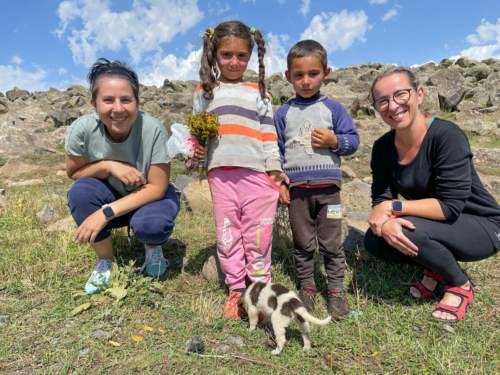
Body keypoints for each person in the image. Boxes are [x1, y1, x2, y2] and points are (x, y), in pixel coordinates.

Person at [364, 67, 500, 322]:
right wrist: (384, 219)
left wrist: (394, 209)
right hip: (438, 224)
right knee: (375, 239)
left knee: (405, 229)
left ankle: (459, 284)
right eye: (382, 100)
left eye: (400, 95)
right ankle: (435, 267)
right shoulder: (382, 147)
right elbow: (381, 196)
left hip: (482, 225)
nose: (392, 106)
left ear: (419, 95)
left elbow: (450, 206)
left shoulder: (446, 136)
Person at [193, 20, 284, 320]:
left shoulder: (258, 90)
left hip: (257, 175)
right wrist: (194, 150)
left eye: (241, 56)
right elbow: (198, 134)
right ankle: (235, 288)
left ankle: (259, 288)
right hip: (220, 175)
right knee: (228, 233)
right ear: (214, 54)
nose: (234, 62)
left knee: (258, 234)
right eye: (227, 55)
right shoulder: (204, 91)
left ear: (251, 56)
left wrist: (274, 170)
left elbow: (269, 132)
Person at [65, 58, 180, 294]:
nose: (118, 109)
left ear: (137, 102)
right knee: (81, 192)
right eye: (108, 100)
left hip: (149, 197)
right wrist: (108, 165)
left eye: (126, 100)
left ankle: (153, 247)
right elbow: (75, 173)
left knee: (152, 224)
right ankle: (106, 261)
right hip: (109, 191)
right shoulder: (81, 129)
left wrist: (105, 212)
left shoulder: (153, 128)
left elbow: (158, 187)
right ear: (94, 103)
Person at [275, 40, 360, 319]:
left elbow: (353, 141)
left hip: (329, 193)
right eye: (298, 75)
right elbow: (276, 152)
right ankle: (307, 288)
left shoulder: (333, 109)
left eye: (313, 74)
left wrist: (335, 140)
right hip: (297, 192)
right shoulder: (283, 113)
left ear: (326, 72)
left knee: (332, 242)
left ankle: (335, 290)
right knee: (303, 243)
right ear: (288, 77)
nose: (306, 81)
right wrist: (280, 183)